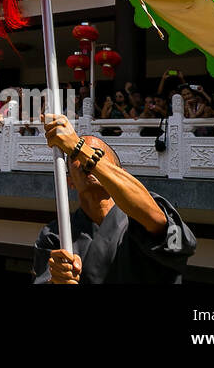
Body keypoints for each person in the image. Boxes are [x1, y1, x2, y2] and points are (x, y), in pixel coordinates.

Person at [33, 113, 196, 283]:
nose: (86, 160)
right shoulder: (55, 234)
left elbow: (169, 236)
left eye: (97, 154)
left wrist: (78, 147)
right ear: (70, 182)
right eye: (76, 157)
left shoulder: (152, 211)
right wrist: (57, 279)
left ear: (120, 175)